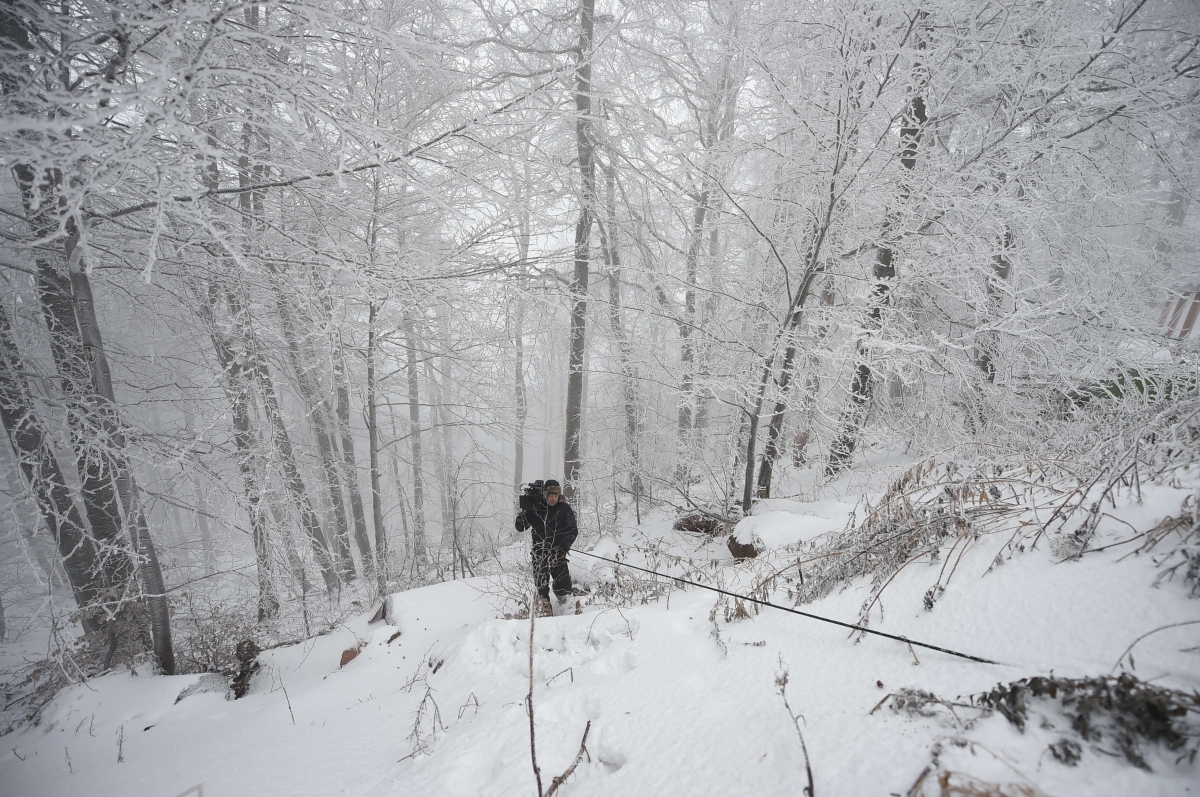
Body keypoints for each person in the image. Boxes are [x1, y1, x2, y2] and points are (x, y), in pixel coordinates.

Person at [515, 479, 578, 616]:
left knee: (564, 588)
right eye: (550, 496)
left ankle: (566, 611)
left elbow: (572, 531)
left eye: (555, 495)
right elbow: (520, 527)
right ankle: (546, 611)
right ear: (545, 495)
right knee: (542, 588)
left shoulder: (564, 509)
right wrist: (526, 511)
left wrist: (565, 546)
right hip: (539, 553)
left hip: (558, 554)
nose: (553, 499)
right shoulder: (535, 508)